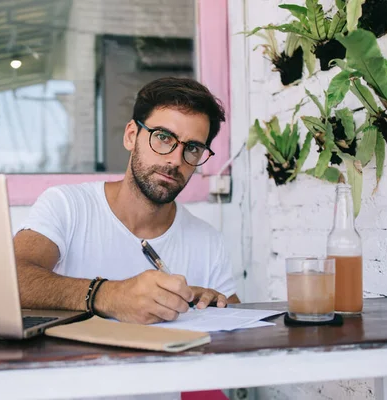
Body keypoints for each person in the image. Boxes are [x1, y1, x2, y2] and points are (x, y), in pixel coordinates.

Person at [14, 76, 240, 325]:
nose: (176, 160)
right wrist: (109, 295)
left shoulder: (207, 240)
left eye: (193, 148)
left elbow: (241, 327)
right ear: (131, 136)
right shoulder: (67, 205)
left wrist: (212, 306)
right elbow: (13, 279)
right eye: (163, 137)